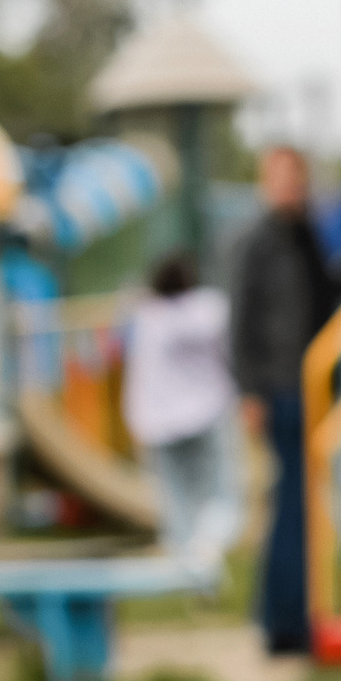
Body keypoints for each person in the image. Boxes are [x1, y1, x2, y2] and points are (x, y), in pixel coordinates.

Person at [231, 146, 341, 654]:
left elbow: (328, 298)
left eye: (295, 179)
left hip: (312, 384)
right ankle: (284, 622)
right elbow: (241, 320)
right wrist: (250, 391)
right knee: (291, 502)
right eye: (279, 179)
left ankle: (289, 616)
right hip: (279, 386)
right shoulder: (258, 241)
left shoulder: (308, 236)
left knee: (300, 503)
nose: (289, 188)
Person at [124, 251, 240, 587]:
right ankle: (208, 552)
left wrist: (138, 420)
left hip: (161, 421)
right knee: (220, 493)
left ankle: (190, 569)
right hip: (209, 412)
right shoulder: (210, 310)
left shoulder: (147, 318)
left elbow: (140, 373)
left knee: (177, 499)